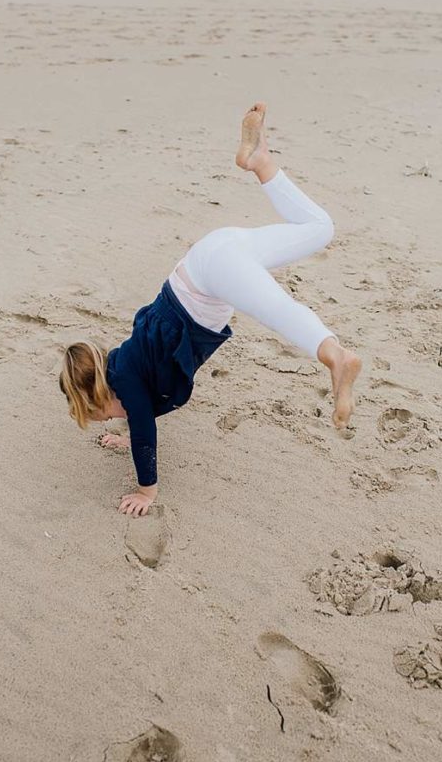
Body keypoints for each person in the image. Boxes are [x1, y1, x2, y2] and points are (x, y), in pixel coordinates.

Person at [59, 103, 362, 517]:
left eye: (101, 417)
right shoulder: (124, 369)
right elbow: (136, 413)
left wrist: (146, 491)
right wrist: (125, 429)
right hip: (216, 251)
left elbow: (145, 431)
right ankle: (261, 162)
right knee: (319, 228)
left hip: (212, 274)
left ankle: (336, 357)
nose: (115, 417)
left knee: (277, 308)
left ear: (100, 398)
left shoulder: (127, 381)